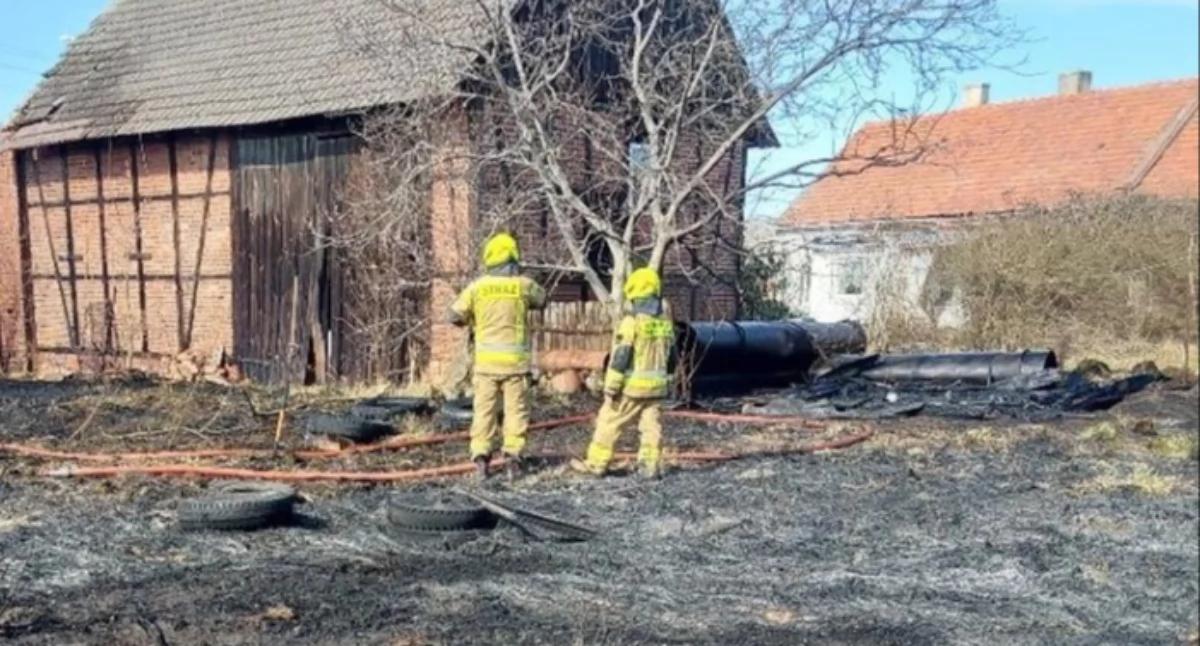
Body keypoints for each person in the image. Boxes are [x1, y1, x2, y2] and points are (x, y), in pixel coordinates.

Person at [449, 232, 547, 480]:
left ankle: (482, 460)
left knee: (484, 413)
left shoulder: (477, 288)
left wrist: (472, 319)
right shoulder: (523, 286)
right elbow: (542, 299)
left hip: (486, 366)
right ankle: (513, 460)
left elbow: (452, 315)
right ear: (513, 258)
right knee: (516, 413)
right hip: (516, 367)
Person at [571, 267, 676, 480]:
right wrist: (669, 380)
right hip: (657, 388)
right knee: (651, 427)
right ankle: (649, 466)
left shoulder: (632, 323)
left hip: (632, 388)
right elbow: (672, 357)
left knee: (609, 421)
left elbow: (621, 357)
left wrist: (611, 387)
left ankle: (596, 464)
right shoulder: (665, 324)